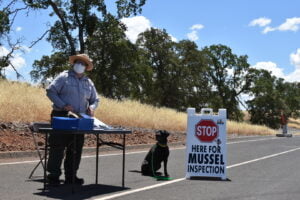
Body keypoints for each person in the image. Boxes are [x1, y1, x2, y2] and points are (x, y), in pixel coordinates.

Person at [46, 54, 99, 186]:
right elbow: (50, 91)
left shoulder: (88, 82)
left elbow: (95, 99)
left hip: (79, 119)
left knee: (75, 148)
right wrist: (63, 104)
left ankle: (71, 176)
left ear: (86, 67)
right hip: (62, 115)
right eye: (78, 62)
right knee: (58, 146)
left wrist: (92, 108)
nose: (80, 65)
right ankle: (53, 176)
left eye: (83, 64)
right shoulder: (64, 76)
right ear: (74, 63)